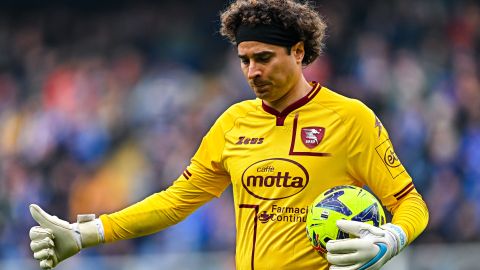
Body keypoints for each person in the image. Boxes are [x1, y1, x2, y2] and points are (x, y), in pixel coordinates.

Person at [29, 0, 429, 269]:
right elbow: (175, 202)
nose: (252, 71)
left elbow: (411, 203)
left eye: (264, 58)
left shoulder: (351, 119)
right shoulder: (233, 122)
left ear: (300, 53)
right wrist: (86, 233)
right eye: (245, 60)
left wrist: (389, 240)